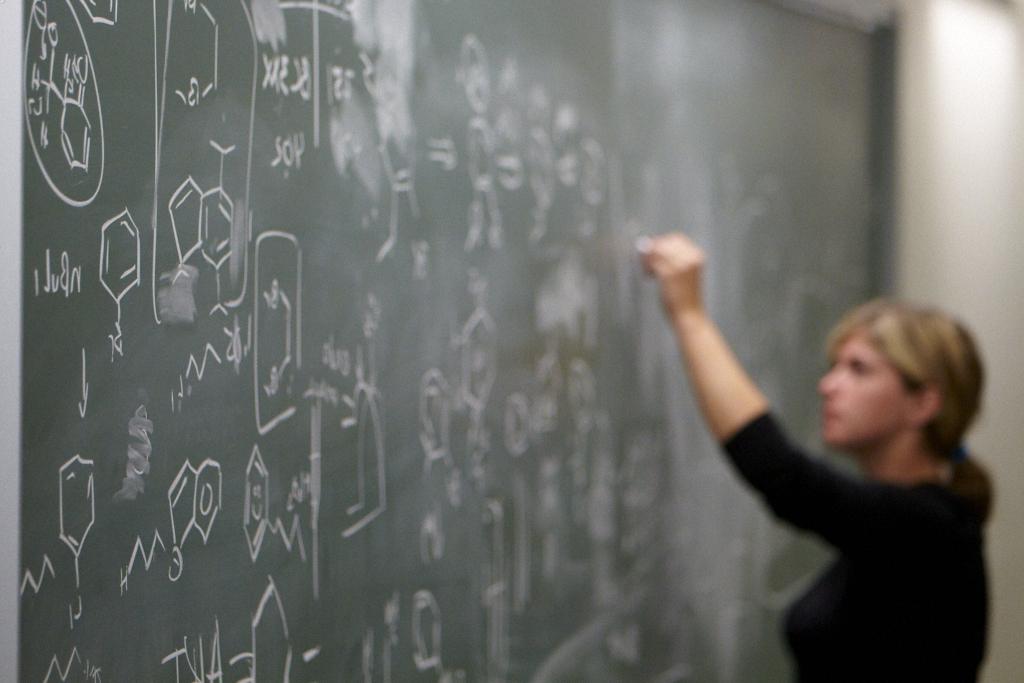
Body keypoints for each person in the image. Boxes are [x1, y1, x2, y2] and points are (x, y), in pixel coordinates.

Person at [640, 233, 992, 682]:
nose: (829, 386)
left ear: (923, 403)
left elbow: (784, 477)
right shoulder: (905, 524)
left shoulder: (931, 527)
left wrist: (690, 317)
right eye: (834, 367)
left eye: (858, 370)